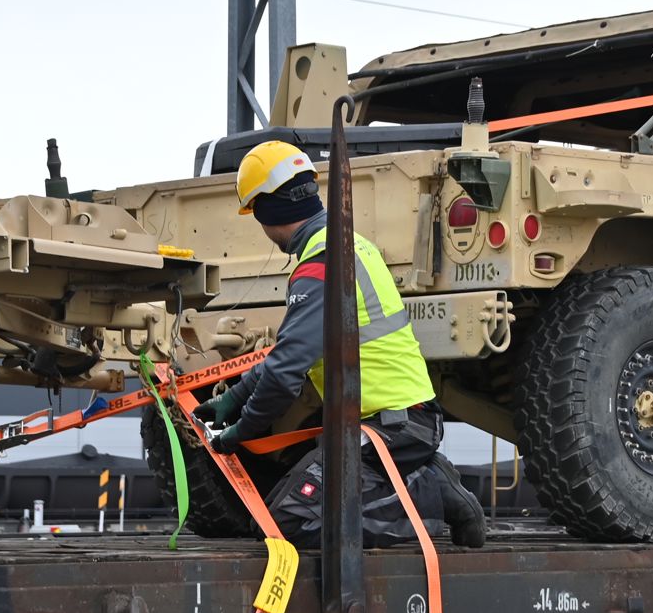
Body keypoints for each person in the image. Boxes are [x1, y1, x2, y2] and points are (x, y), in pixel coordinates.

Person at [193, 140, 486, 549]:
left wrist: (243, 430)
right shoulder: (350, 244)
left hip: (392, 427)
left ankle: (433, 492)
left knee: (291, 523)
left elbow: (283, 375)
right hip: (398, 421)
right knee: (279, 508)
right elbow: (288, 353)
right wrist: (235, 397)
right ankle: (424, 478)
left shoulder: (320, 262)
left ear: (266, 210)